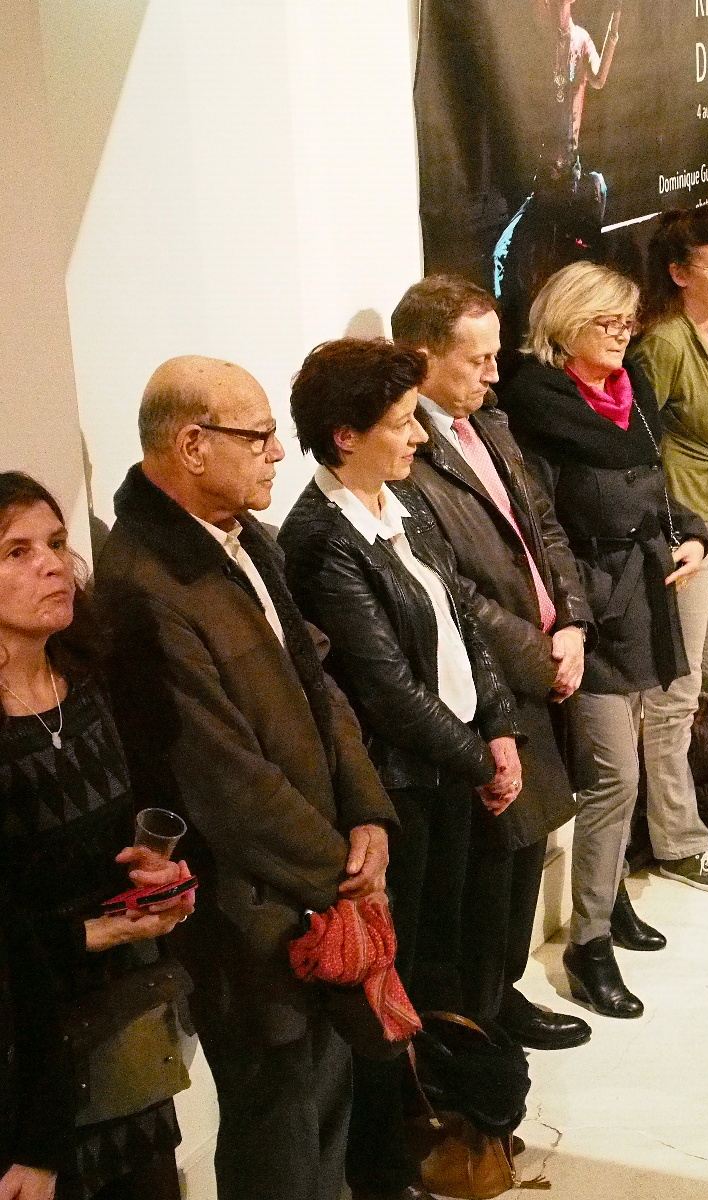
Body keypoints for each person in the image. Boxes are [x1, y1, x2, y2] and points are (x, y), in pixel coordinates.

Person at [95, 357, 397, 1200]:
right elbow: (221, 780)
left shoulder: (241, 537)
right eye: (258, 436)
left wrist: (367, 813)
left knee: (325, 1099)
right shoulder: (145, 584)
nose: (277, 452)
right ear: (193, 445)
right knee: (277, 1124)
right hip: (248, 914)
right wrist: (342, 871)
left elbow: (319, 686)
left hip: (316, 885)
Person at [276, 339, 524, 1200]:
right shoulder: (319, 539)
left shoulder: (403, 502)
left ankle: (444, 1126)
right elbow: (384, 688)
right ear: (345, 436)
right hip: (402, 788)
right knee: (397, 981)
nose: (419, 435)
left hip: (453, 770)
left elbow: (463, 623)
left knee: (445, 963)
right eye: (401, 422)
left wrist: (500, 728)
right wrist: (478, 759)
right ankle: (386, 1164)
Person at [391, 276, 597, 1052]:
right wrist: (540, 658)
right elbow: (454, 591)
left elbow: (544, 528)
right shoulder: (408, 452)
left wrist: (572, 622)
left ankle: (500, 994)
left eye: (494, 355)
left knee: (528, 850)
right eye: (476, 359)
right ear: (423, 359)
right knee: (491, 867)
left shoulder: (492, 422)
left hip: (545, 665)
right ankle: (479, 1014)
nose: (494, 373)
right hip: (493, 686)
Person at [502, 260, 708, 1018]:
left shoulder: (632, 394)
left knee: (638, 756)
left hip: (645, 594)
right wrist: (571, 621)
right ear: (566, 326)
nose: (624, 335)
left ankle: (611, 893)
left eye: (628, 321)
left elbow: (657, 488)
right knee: (614, 775)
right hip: (590, 611)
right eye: (607, 322)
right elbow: (541, 528)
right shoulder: (539, 407)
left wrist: (692, 535)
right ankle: (587, 945)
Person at [0, 473, 197, 1200]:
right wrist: (94, 932)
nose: (53, 565)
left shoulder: (90, 678)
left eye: (55, 543)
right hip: (25, 1061)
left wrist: (165, 880)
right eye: (16, 552)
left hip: (123, 1029)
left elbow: (148, 821)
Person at [632, 205, 708, 894]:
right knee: (676, 688)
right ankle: (676, 838)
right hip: (687, 526)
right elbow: (644, 450)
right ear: (680, 273)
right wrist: (677, 531)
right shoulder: (664, 344)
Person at [492, 0, 622, 361]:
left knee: (571, 257)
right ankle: (509, 338)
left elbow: (598, 79)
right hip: (544, 176)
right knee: (505, 254)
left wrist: (613, 32)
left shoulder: (580, 39)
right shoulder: (537, 43)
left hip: (566, 173)